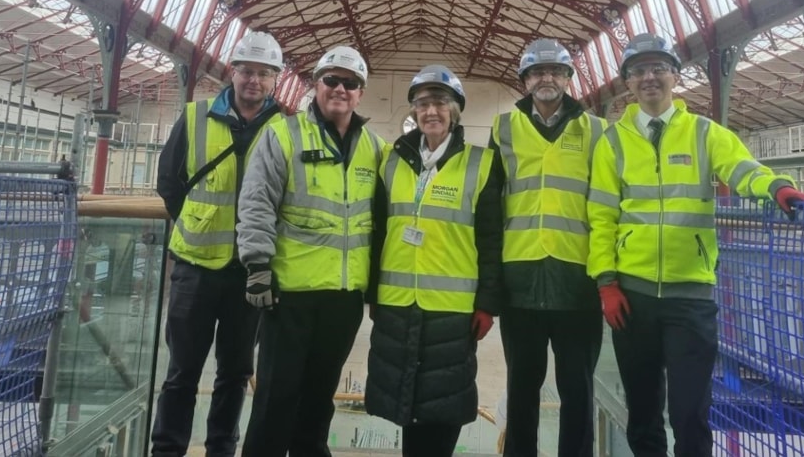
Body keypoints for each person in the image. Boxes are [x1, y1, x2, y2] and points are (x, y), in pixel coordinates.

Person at [587, 32, 804, 457]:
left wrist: (777, 187)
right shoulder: (612, 143)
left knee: (691, 412)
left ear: (674, 75)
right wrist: (606, 282)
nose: (649, 77)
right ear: (627, 83)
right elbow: (601, 217)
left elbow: (743, 168)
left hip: (690, 297)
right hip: (632, 296)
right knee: (643, 410)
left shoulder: (704, 132)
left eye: (658, 68)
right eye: (638, 71)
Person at [236, 44, 387, 457]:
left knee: (320, 397)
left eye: (350, 82)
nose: (340, 88)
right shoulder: (283, 134)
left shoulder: (374, 148)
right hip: (290, 295)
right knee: (275, 397)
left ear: (361, 92)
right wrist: (258, 265)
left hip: (343, 297)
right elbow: (256, 202)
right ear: (315, 85)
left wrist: (376, 287)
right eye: (331, 80)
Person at [151, 30, 286, 457]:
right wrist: (196, 225)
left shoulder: (286, 128)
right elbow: (169, 183)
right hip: (195, 269)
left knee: (235, 373)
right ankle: (168, 449)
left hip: (250, 273)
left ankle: (221, 449)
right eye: (247, 71)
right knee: (181, 373)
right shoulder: (195, 117)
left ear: (276, 80)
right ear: (233, 72)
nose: (255, 81)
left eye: (265, 74)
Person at [365, 65, 504, 457]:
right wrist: (373, 293)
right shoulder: (391, 161)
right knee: (405, 405)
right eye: (423, 103)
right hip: (397, 304)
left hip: (453, 310)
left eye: (440, 103)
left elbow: (492, 241)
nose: (431, 112)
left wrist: (487, 304)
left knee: (444, 408)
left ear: (455, 111)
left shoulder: (482, 164)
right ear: (413, 110)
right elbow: (378, 232)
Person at [489, 38, 608, 457]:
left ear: (568, 79)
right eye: (537, 72)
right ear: (524, 80)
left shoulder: (596, 130)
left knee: (577, 391)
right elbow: (489, 204)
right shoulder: (502, 128)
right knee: (522, 388)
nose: (546, 79)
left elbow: (610, 202)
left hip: (577, 281)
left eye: (556, 71)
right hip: (519, 281)